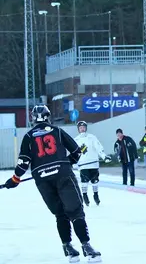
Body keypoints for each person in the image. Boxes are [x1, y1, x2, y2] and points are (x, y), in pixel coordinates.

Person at [2, 105, 101, 262]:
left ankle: (68, 247)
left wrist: (14, 180)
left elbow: (23, 162)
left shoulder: (28, 136)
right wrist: (68, 162)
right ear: (48, 116)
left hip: (42, 180)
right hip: (63, 175)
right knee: (75, 211)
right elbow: (76, 151)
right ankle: (86, 246)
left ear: (32, 118)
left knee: (60, 213)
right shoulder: (57, 131)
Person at [75, 121, 109, 206]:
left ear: (86, 128)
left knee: (95, 181)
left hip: (93, 163)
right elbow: (74, 152)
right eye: (80, 128)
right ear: (78, 129)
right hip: (83, 165)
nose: (82, 129)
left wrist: (104, 156)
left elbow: (98, 147)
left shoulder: (92, 137)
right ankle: (85, 195)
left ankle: (96, 195)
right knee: (84, 182)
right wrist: (73, 162)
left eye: (83, 127)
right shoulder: (76, 140)